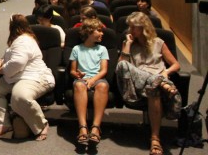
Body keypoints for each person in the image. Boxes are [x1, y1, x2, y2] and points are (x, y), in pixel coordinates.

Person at [116, 12, 181, 155]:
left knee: (153, 88)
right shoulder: (129, 44)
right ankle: (160, 83)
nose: (131, 31)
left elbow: (176, 65)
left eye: (135, 27)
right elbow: (122, 67)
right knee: (122, 66)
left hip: (155, 83)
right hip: (136, 87)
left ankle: (155, 138)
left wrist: (164, 74)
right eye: (130, 27)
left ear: (144, 28)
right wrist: (127, 45)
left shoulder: (159, 43)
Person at [0, 14, 54, 141]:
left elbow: (17, 63)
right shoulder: (18, 40)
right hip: (18, 76)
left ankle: (42, 124)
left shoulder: (23, 41)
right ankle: (3, 124)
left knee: (19, 96)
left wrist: (0, 70)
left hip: (35, 77)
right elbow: (7, 57)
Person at [69, 18, 109, 151]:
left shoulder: (102, 49)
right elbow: (73, 71)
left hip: (97, 78)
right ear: (89, 32)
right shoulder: (76, 49)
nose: (102, 33)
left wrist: (93, 80)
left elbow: (104, 70)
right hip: (83, 79)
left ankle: (96, 128)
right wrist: (78, 75)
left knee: (102, 86)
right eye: (99, 30)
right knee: (79, 85)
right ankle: (82, 128)